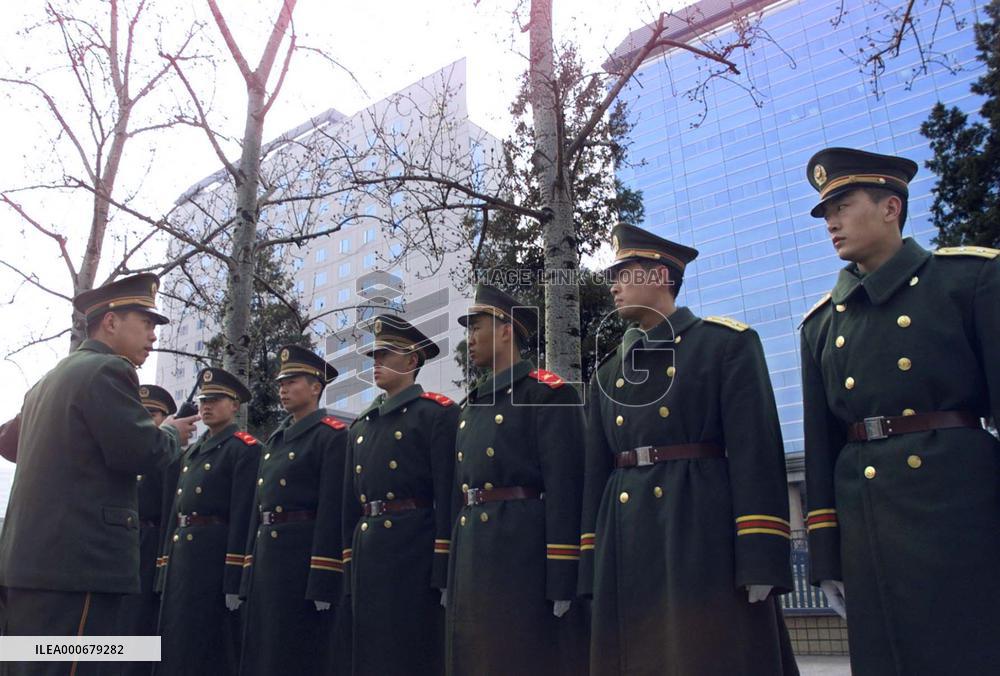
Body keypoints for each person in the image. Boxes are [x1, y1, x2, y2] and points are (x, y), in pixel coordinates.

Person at [800, 147, 1000, 675]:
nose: (832, 222)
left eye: (843, 206)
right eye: (825, 213)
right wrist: (825, 559)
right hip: (868, 525)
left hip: (961, 512)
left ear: (891, 207)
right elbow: (822, 450)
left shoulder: (968, 280)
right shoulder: (821, 325)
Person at [580, 224, 798, 675]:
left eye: (624, 271)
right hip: (627, 539)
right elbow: (594, 478)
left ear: (660, 275)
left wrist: (760, 556)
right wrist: (590, 565)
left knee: (707, 656)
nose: (614, 284)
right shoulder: (605, 376)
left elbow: (756, 454)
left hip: (700, 535)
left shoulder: (723, 346)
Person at [0, 273, 198, 676]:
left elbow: (7, 442)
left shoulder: (48, 381)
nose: (153, 337)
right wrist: (170, 432)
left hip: (29, 566)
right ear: (110, 322)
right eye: (145, 323)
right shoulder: (109, 370)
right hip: (80, 567)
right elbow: (141, 450)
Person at [445, 284, 586, 676]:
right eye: (468, 328)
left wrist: (563, 576)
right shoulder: (470, 407)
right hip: (472, 555)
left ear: (506, 329)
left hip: (521, 559)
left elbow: (567, 491)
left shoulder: (547, 395)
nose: (469, 338)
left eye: (477, 327)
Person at [340, 314, 458, 676]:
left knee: (411, 649)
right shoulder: (361, 426)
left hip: (413, 551)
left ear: (411, 360)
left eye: (385, 354)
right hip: (369, 552)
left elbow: (448, 495)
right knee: (370, 652)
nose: (376, 363)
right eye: (374, 356)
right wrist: (349, 565)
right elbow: (350, 507)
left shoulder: (436, 414)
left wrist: (442, 568)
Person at [239, 345, 350, 676]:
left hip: (300, 561)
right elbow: (258, 510)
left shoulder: (331, 436)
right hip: (268, 558)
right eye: (281, 383)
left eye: (292, 381)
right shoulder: (275, 441)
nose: (283, 389)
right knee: (263, 648)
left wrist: (324, 576)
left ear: (316, 387)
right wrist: (247, 570)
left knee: (297, 650)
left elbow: (333, 511)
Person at [156, 368, 259, 675]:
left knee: (210, 644)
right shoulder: (191, 453)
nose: (206, 406)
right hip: (183, 557)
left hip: (213, 559)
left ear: (234, 405)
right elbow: (175, 513)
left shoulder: (245, 449)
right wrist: (164, 568)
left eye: (216, 399)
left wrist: (234, 578)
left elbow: (244, 516)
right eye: (203, 400)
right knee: (177, 640)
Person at [115, 384, 176, 676]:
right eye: (142, 412)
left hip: (151, 546)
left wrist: (163, 560)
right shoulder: (127, 452)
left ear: (166, 418)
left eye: (153, 413)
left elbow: (169, 513)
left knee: (142, 621)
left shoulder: (170, 457)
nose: (148, 418)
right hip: (122, 544)